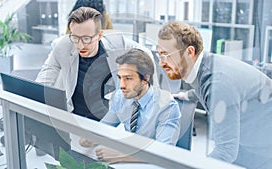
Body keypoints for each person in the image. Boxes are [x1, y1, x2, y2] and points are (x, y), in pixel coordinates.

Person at [157, 21, 272, 169]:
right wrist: (187, 95)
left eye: (166, 56)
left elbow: (225, 151)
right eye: (159, 55)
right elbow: (206, 89)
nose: (161, 63)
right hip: (249, 136)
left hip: (263, 148)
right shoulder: (207, 66)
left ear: (189, 52)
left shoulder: (218, 83)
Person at [36, 7, 157, 121]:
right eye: (75, 38)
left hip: (107, 119)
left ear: (99, 35)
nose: (80, 45)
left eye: (86, 39)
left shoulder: (117, 44)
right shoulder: (62, 47)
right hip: (76, 117)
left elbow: (146, 54)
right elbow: (44, 80)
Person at [80, 48, 181, 163]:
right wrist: (91, 137)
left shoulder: (167, 106)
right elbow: (105, 127)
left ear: (145, 79)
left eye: (128, 78)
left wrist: (120, 156)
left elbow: (163, 153)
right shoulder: (120, 97)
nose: (122, 85)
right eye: (120, 78)